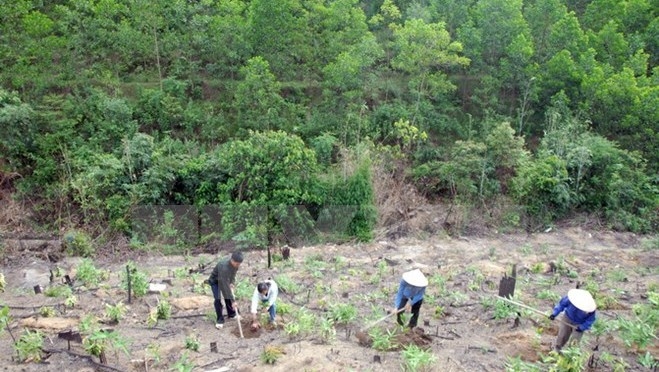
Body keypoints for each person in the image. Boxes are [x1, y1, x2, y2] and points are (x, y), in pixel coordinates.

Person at [208, 251, 243, 329]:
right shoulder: (224, 267)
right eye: (237, 264)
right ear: (232, 260)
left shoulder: (236, 265)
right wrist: (233, 301)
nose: (238, 266)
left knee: (228, 296)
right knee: (217, 299)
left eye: (239, 264)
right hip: (215, 281)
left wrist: (232, 283)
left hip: (224, 280)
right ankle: (220, 320)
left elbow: (233, 275)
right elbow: (225, 286)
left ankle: (231, 314)